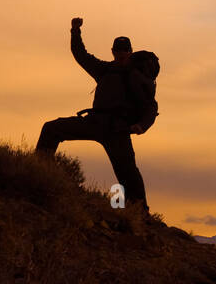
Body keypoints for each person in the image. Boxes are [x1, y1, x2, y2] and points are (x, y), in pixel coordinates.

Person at [35, 17, 156, 215]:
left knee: (127, 172)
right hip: (95, 122)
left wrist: (142, 126)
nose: (120, 55)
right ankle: (39, 174)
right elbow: (80, 55)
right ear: (113, 52)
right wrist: (75, 31)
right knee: (51, 129)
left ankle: (140, 213)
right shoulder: (105, 69)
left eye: (124, 52)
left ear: (130, 53)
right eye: (117, 51)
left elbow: (150, 106)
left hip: (117, 130)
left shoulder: (136, 76)